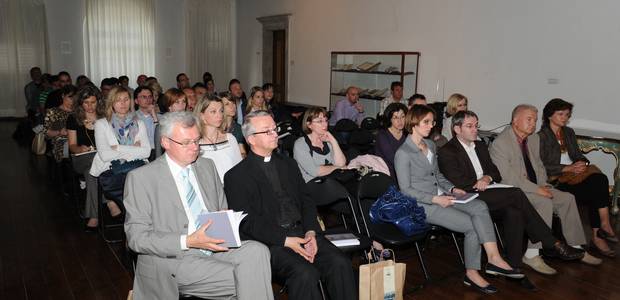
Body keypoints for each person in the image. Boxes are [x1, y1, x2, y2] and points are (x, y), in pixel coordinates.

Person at [124, 111, 273, 300]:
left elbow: (221, 209)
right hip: (175, 258)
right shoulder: (141, 178)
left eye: (196, 140)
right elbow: (137, 239)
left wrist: (225, 221)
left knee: (258, 251)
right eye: (186, 143)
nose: (194, 148)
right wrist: (187, 241)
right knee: (250, 277)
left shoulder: (206, 166)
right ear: (165, 143)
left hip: (214, 245)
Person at [438, 110, 584, 289]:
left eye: (476, 125)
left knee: (514, 212)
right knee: (516, 193)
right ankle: (551, 242)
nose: (475, 129)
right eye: (469, 126)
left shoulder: (480, 146)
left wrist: (487, 178)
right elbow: (458, 182)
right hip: (469, 197)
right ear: (457, 129)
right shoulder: (447, 151)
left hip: (490, 192)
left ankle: (515, 269)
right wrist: (480, 182)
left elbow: (495, 172)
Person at [224, 110, 357, 300]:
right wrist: (285, 240)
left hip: (303, 232)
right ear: (251, 139)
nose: (275, 134)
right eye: (267, 131)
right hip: (271, 242)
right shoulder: (236, 176)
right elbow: (247, 222)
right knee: (305, 274)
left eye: (274, 129)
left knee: (340, 263)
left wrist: (311, 231)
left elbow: (306, 200)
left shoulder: (288, 164)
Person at [395, 104, 522, 294]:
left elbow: (437, 175)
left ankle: (494, 259)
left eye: (432, 122)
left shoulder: (429, 145)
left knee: (479, 207)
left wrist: (452, 188)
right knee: (471, 226)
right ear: (413, 123)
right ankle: (472, 272)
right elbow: (405, 190)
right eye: (426, 122)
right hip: (423, 204)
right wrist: (435, 199)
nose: (431, 126)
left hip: (442, 194)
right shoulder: (403, 153)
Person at [489, 104, 602, 273]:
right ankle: (532, 254)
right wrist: (538, 190)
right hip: (515, 191)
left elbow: (539, 166)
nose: (533, 124)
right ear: (515, 120)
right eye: (529, 119)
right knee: (544, 202)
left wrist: (543, 185)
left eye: (535, 120)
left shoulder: (533, 139)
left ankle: (576, 247)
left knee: (567, 198)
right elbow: (509, 178)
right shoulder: (501, 143)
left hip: (537, 186)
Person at [538, 98, 617, 257]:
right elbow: (541, 165)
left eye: (567, 114)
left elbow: (577, 155)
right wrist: (567, 168)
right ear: (549, 115)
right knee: (597, 189)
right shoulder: (541, 137)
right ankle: (600, 233)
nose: (564, 118)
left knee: (599, 181)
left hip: (574, 176)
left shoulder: (568, 132)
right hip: (557, 180)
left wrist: (582, 163)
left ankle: (602, 227)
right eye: (560, 114)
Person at [90, 86, 150, 216]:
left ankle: (134, 216)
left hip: (136, 168)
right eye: (118, 100)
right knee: (133, 189)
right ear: (111, 103)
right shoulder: (102, 124)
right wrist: (134, 149)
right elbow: (105, 155)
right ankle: (135, 216)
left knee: (140, 183)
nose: (123, 103)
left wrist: (117, 147)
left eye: (126, 99)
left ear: (131, 101)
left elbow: (146, 152)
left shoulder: (139, 123)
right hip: (112, 170)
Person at [67, 85, 105, 230]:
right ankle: (110, 201)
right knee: (92, 162)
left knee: (91, 172)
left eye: (93, 102)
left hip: (100, 160)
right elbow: (72, 145)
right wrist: (80, 148)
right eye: (86, 103)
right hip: (81, 158)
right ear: (80, 103)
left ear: (98, 102)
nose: (89, 106)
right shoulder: (74, 119)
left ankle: (94, 216)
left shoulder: (104, 118)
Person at [194, 95, 242, 182]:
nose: (219, 115)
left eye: (221, 111)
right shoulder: (195, 143)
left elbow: (239, 168)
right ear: (202, 116)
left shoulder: (230, 138)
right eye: (213, 112)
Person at [294, 107, 347, 182]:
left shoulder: (327, 140)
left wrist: (333, 141)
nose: (325, 124)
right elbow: (315, 171)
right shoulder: (300, 144)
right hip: (310, 185)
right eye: (320, 121)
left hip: (330, 181)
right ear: (309, 124)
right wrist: (338, 168)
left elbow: (341, 163)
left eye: (326, 120)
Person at [374, 102, 407, 179]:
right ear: (389, 119)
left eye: (403, 116)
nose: (400, 121)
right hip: (387, 174)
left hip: (404, 171)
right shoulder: (382, 136)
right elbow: (394, 159)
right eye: (395, 117)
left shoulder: (407, 134)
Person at [44, 84, 77, 162]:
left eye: (75, 98)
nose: (73, 100)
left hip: (77, 139)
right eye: (70, 97)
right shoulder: (53, 112)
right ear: (63, 96)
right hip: (62, 141)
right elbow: (46, 132)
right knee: (66, 153)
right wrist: (60, 132)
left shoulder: (79, 111)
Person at [154, 88, 188, 157]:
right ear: (169, 106)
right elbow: (158, 154)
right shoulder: (161, 126)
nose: (182, 105)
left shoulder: (189, 123)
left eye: (184, 101)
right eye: (177, 102)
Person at [133, 86, 159, 159]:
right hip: (141, 154)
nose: (148, 99)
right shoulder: (132, 118)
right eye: (144, 97)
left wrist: (154, 116)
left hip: (159, 152)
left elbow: (161, 136)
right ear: (136, 101)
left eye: (150, 96)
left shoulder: (160, 117)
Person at [221, 92, 246, 158]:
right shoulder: (216, 128)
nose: (232, 106)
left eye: (233, 103)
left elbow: (242, 151)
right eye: (227, 104)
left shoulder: (238, 128)